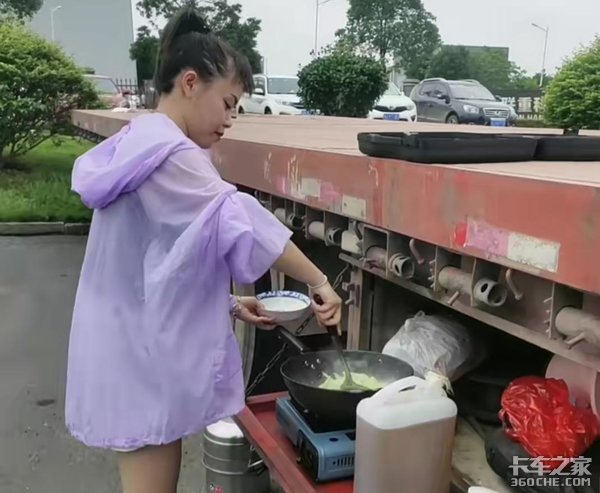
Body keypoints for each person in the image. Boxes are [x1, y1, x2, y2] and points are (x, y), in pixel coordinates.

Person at [65, 6, 342, 493]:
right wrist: (319, 280)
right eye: (228, 102)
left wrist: (230, 303)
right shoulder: (172, 154)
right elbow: (239, 219)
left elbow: (154, 261)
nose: (232, 119)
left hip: (127, 341)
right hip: (139, 357)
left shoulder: (140, 140)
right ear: (191, 83)